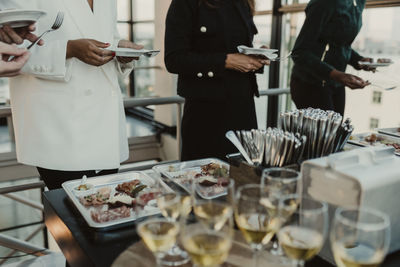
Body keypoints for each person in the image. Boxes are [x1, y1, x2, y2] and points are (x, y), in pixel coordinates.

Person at [5, 0, 142, 189]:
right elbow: (9, 53)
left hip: (105, 123)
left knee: (104, 208)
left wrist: (120, 47)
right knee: (70, 211)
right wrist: (68, 50)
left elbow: (107, 36)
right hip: (58, 127)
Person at [165, 0, 269, 161]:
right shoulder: (186, 3)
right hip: (205, 115)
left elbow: (234, 48)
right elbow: (174, 59)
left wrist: (255, 57)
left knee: (243, 178)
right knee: (203, 181)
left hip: (243, 110)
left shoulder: (244, 2)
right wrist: (226, 61)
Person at [290, 0, 375, 116]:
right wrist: (337, 75)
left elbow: (340, 44)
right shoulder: (324, 3)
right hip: (311, 83)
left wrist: (360, 61)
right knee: (323, 133)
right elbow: (299, 52)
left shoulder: (358, 2)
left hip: (337, 82)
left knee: (337, 132)